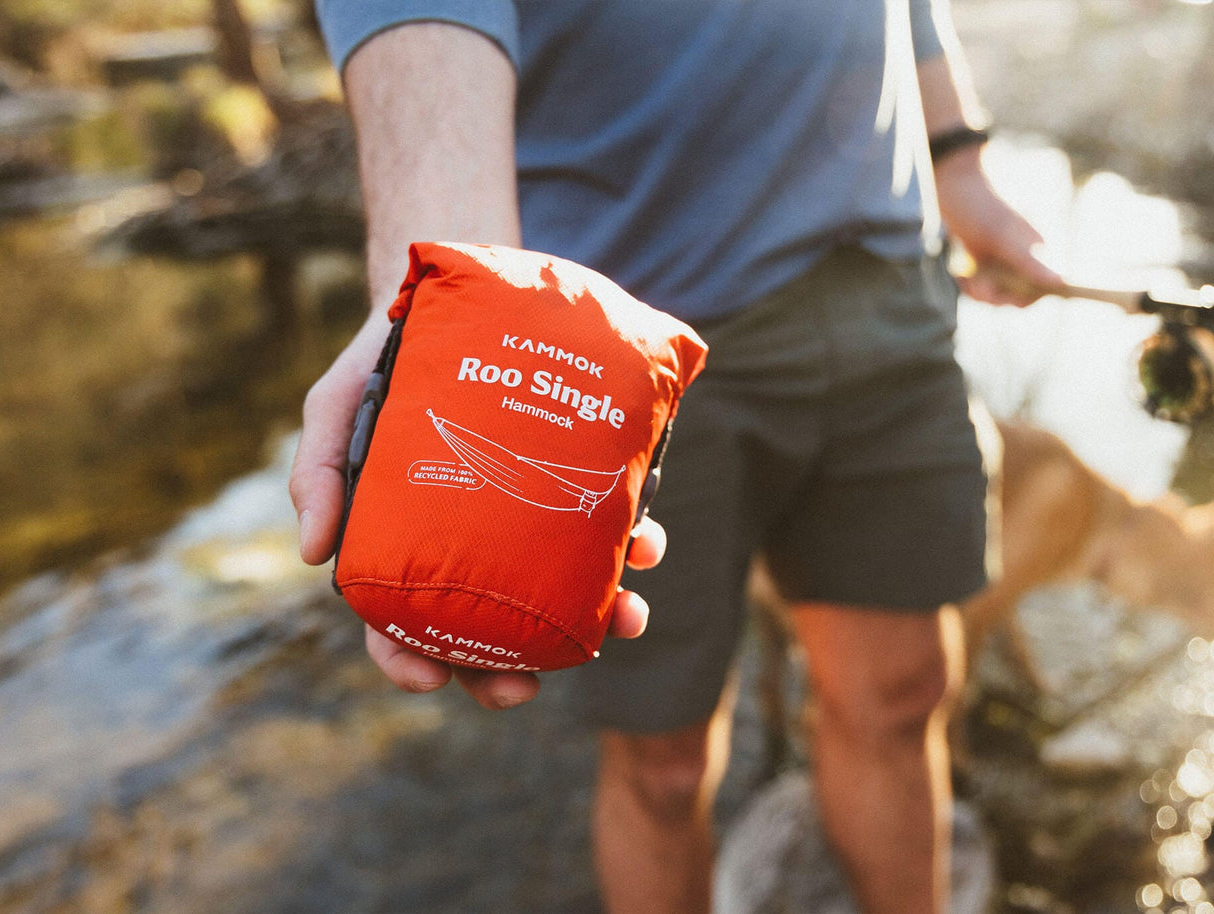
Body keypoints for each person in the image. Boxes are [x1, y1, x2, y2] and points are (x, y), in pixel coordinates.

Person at [288, 3, 1062, 912]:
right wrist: (446, 305)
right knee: (662, 759)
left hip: (887, 296)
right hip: (620, 355)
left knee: (902, 697)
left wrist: (959, 160)